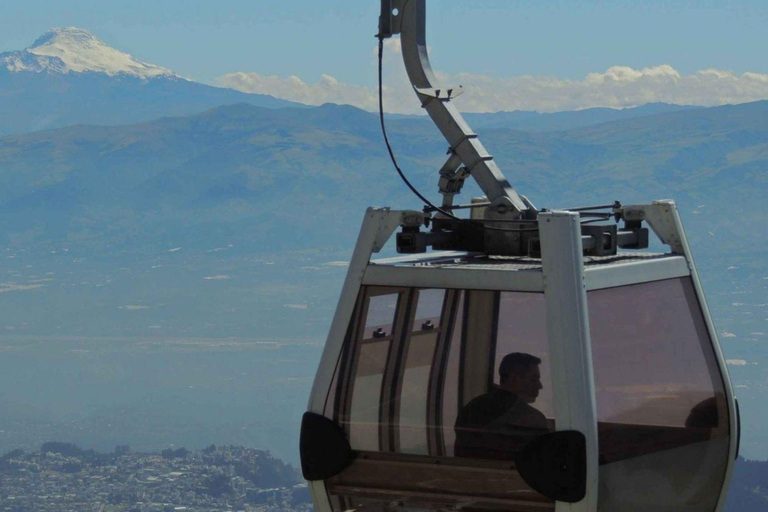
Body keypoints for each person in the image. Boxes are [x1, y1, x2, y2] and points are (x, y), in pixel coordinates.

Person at [454, 352, 548, 460]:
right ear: (514, 379)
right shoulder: (532, 419)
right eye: (534, 379)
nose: (540, 386)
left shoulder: (471, 408)